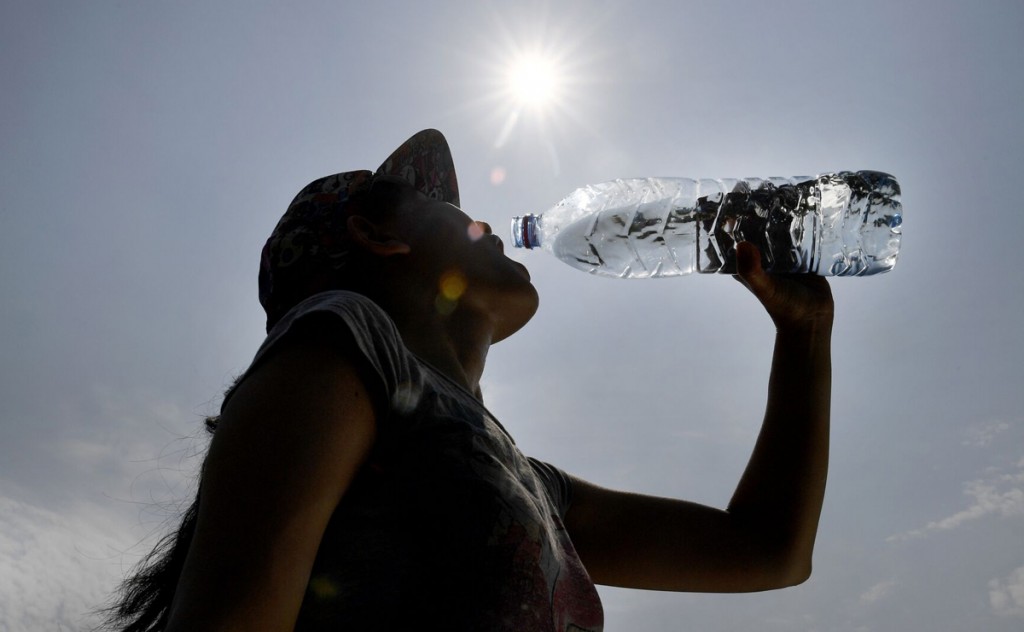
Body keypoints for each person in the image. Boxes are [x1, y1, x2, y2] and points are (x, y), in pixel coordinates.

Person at [104, 129, 833, 631]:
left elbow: (768, 550)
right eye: (455, 213)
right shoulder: (343, 342)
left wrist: (804, 335)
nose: (483, 223)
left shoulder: (524, 478)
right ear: (379, 235)